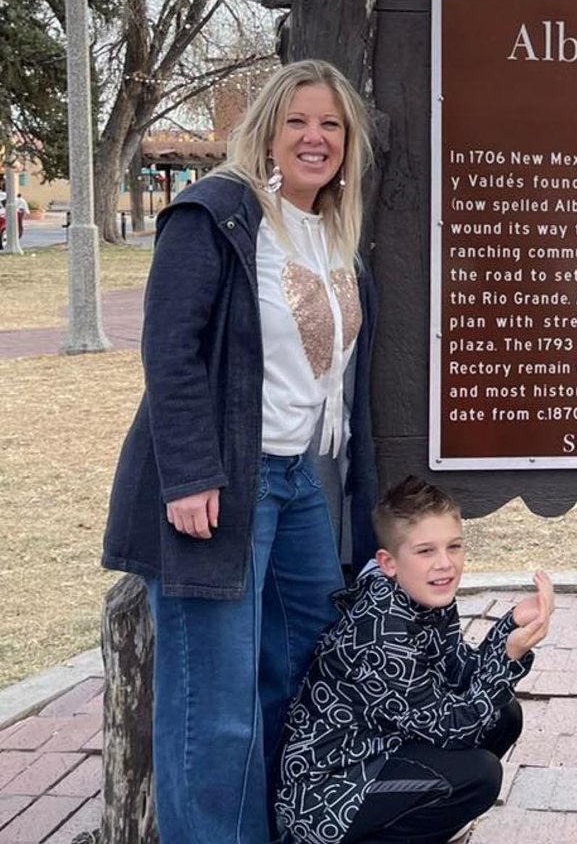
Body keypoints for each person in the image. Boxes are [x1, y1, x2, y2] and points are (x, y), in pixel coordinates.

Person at [103, 59, 379, 843]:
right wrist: (189, 475)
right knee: (213, 708)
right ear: (266, 128)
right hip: (223, 486)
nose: (314, 138)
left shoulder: (334, 231)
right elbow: (170, 350)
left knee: (304, 674)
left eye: (330, 124)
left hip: (299, 487)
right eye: (297, 121)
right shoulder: (216, 214)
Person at [277, 477, 553, 844]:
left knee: (502, 714)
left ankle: (424, 825)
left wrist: (509, 627)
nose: (445, 564)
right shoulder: (382, 633)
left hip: (382, 747)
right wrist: (508, 656)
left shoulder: (422, 596)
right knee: (478, 777)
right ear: (388, 563)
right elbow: (458, 729)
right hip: (330, 792)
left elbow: (459, 677)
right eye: (425, 551)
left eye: (454, 547)